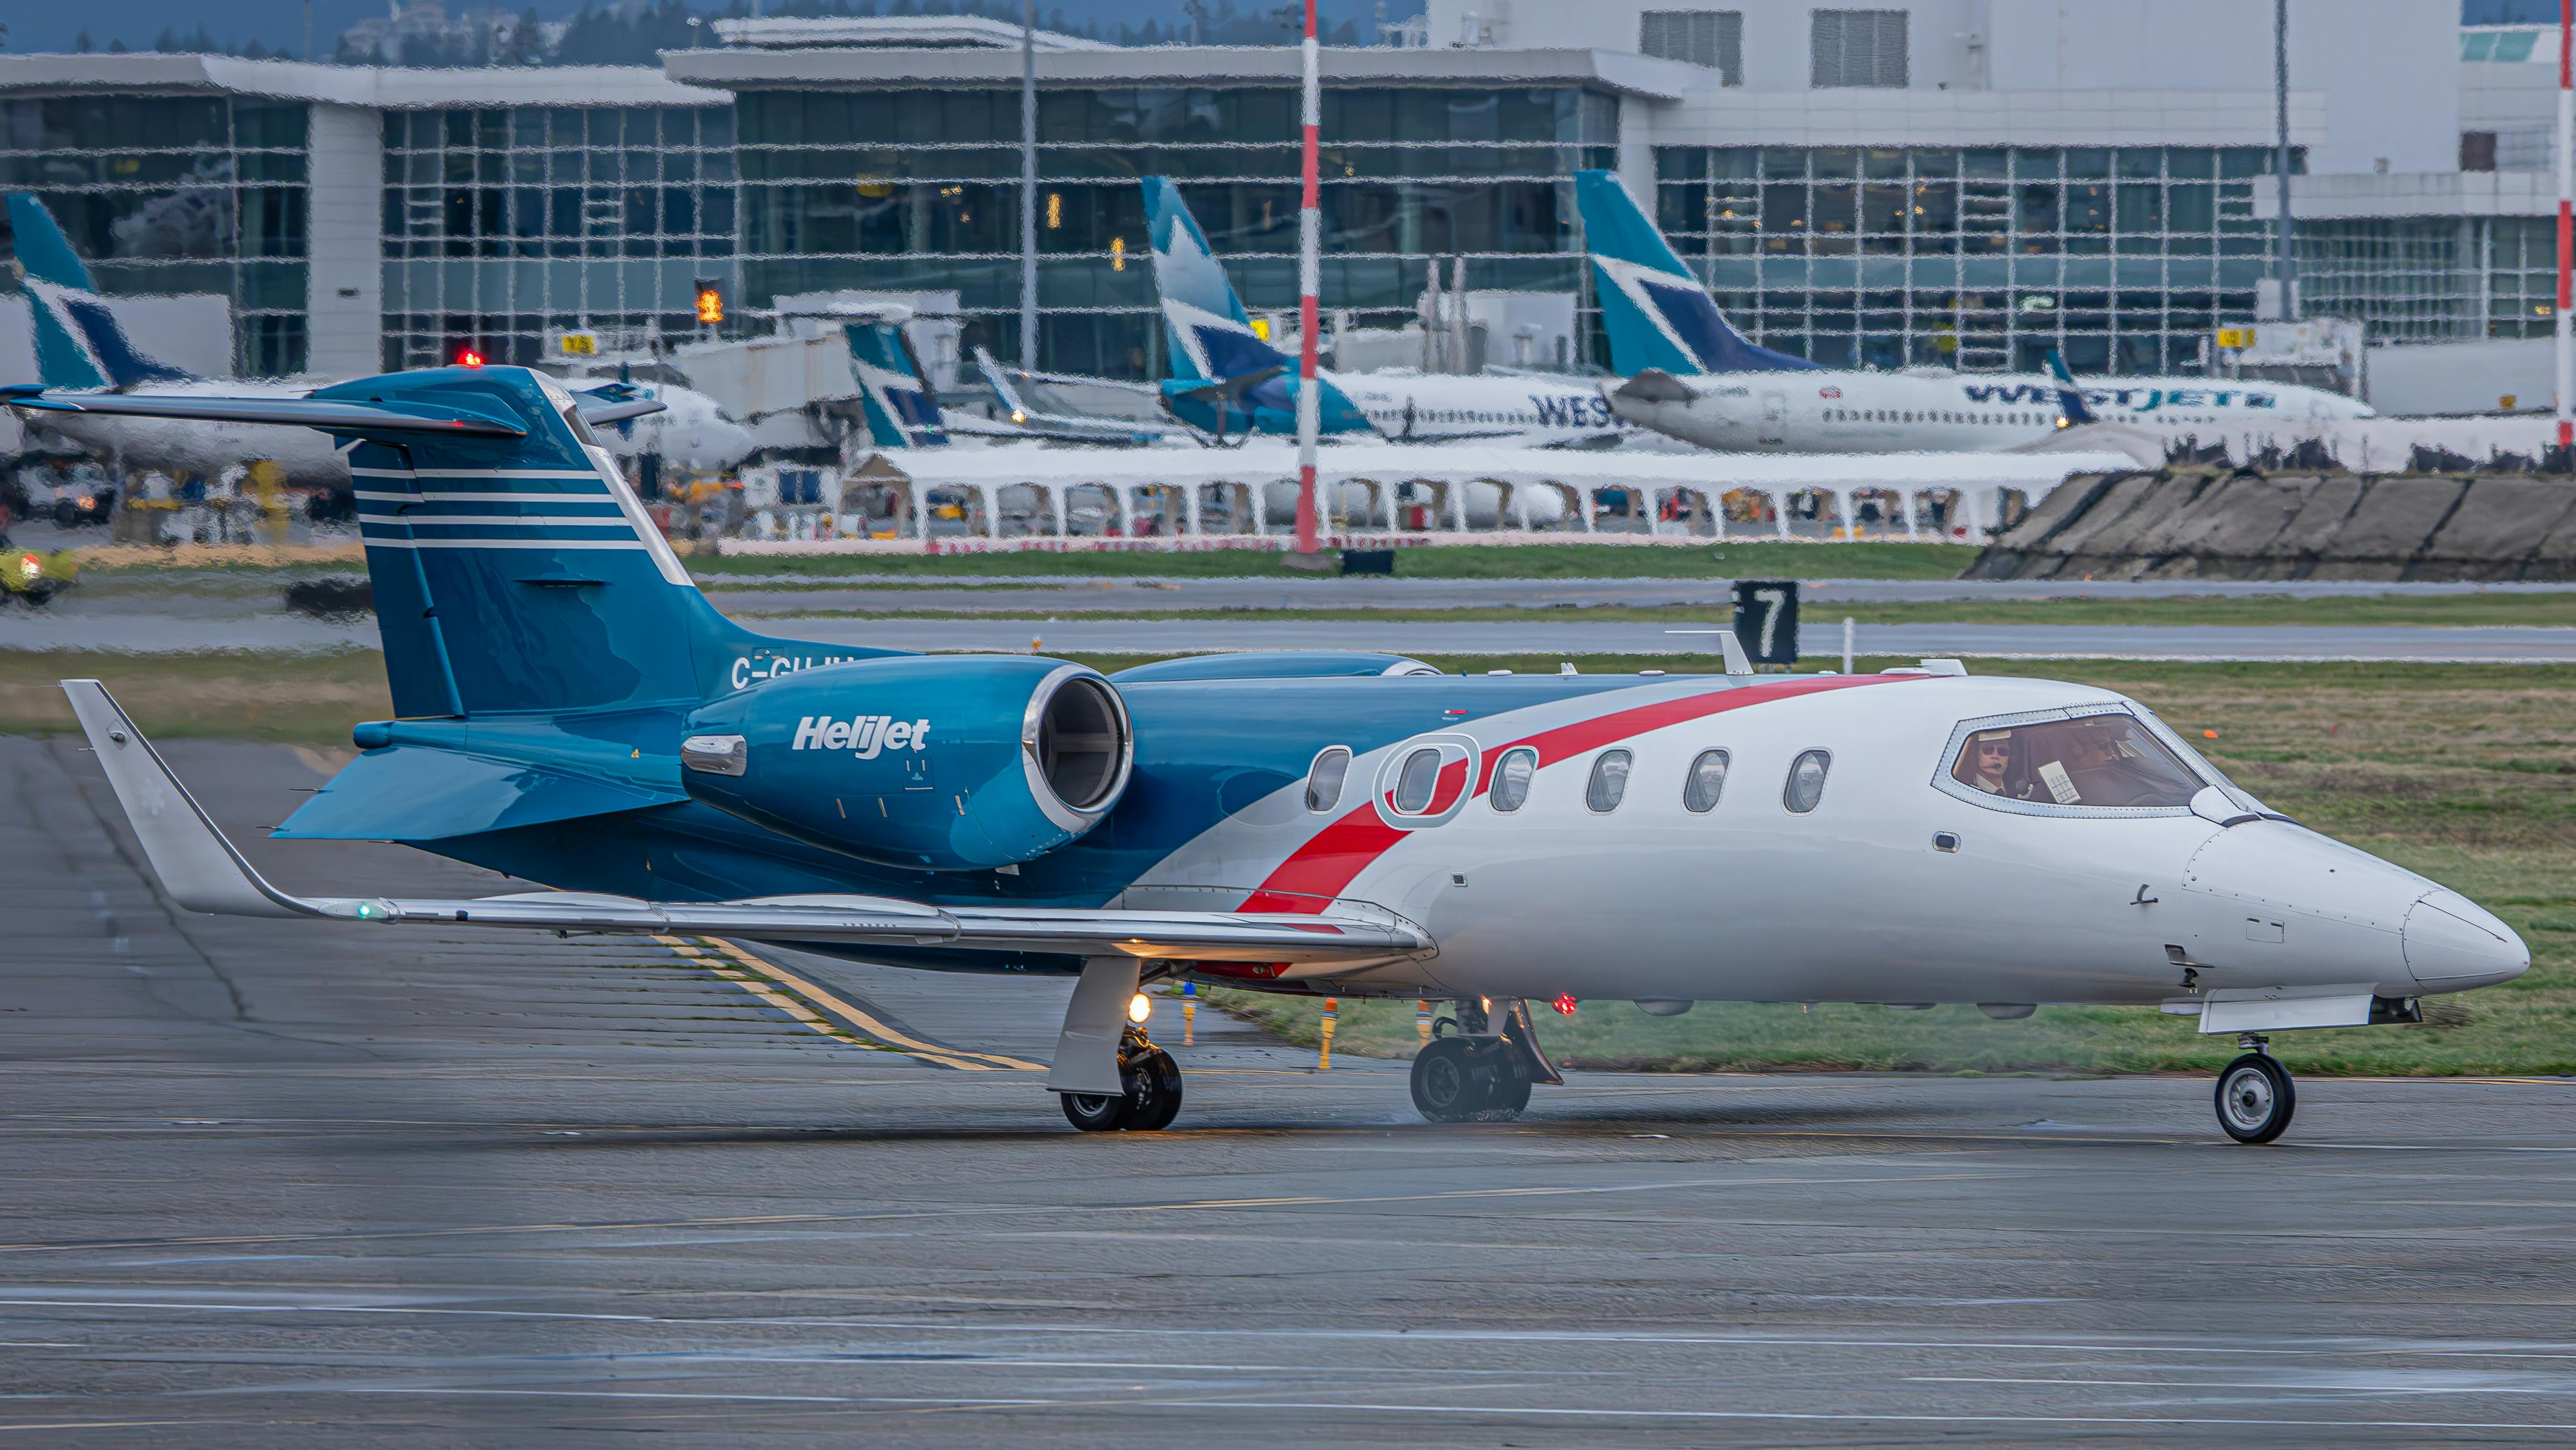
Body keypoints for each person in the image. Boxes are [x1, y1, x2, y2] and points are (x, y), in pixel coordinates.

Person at [1955, 730, 2014, 795]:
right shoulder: (1965, 790)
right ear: (1976, 754)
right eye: (1988, 750)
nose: (1995, 756)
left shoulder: (2014, 790)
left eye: (2003, 750)